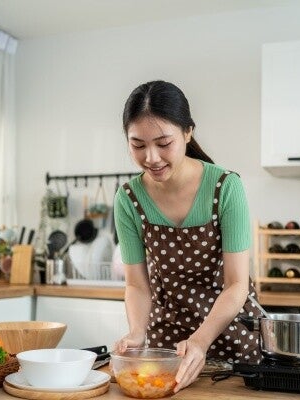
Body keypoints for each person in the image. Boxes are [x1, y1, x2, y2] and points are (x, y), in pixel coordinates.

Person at [113, 80, 263, 392]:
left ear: (187, 132)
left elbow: (236, 285)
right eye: (138, 145)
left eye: (163, 143)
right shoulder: (128, 199)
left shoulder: (225, 187)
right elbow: (137, 285)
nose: (151, 157)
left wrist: (200, 340)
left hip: (231, 333)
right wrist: (137, 331)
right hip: (167, 344)